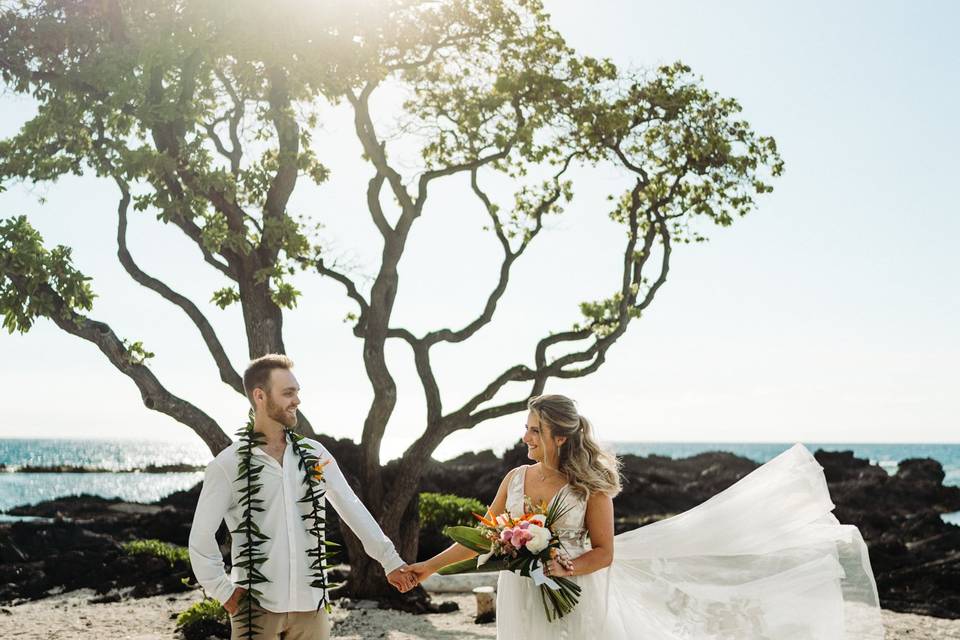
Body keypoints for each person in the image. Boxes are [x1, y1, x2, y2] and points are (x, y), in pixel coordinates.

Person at [408, 394, 884, 639]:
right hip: (519, 594)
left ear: (558, 435)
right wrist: (427, 568)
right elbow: (483, 539)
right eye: (527, 428)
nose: (525, 436)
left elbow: (605, 553)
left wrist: (563, 567)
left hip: (571, 596)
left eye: (535, 429)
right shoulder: (514, 479)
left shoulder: (591, 487)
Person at [189, 354, 416, 640]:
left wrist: (390, 561)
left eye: (297, 392)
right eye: (288, 393)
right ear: (260, 396)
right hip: (255, 608)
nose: (297, 400)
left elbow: (352, 508)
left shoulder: (315, 454)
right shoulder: (227, 465)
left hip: (312, 607)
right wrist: (224, 591)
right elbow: (200, 538)